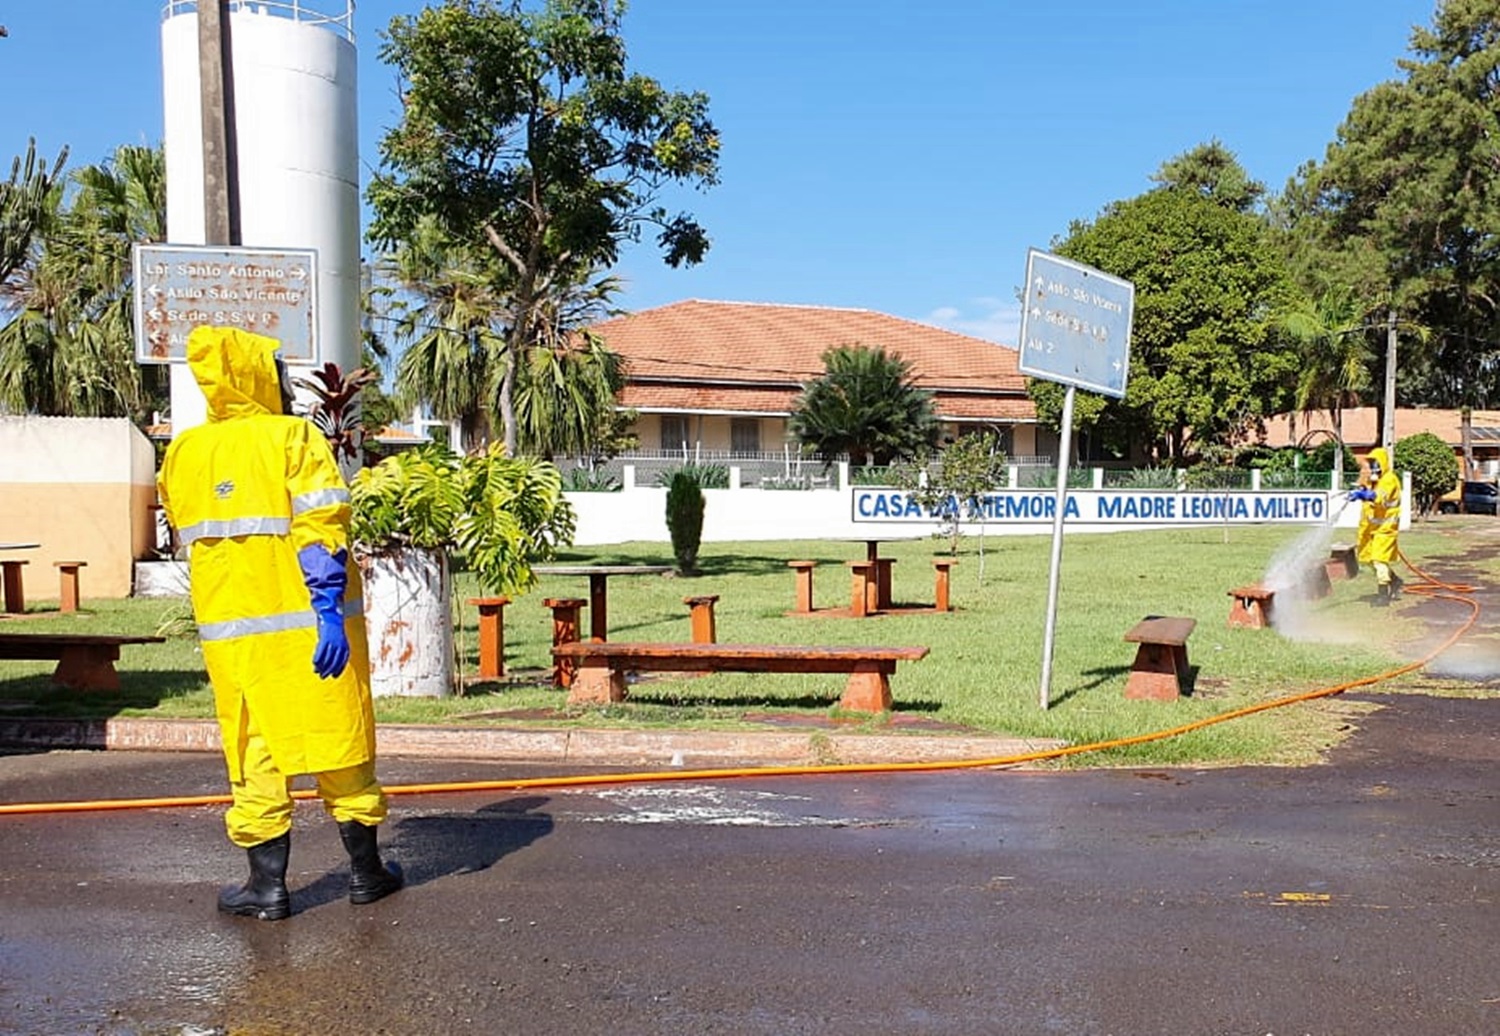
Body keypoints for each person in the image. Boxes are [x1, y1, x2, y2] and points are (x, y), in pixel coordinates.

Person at [157, 325, 402, 921]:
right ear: (253, 375)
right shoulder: (293, 437)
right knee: (339, 744)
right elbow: (322, 525)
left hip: (235, 638)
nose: (289, 386)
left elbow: (181, 530)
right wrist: (325, 609)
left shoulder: (186, 452)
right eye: (279, 374)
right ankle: (366, 874)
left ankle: (266, 889)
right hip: (314, 630)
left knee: (253, 754)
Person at [1349, 445, 1403, 606]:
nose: (1373, 466)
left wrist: (1366, 495)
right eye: (1371, 462)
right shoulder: (1375, 480)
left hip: (1385, 529)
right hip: (1371, 528)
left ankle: (1383, 595)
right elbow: (1365, 488)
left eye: (1376, 462)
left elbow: (1379, 497)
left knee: (1379, 560)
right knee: (1368, 559)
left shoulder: (1389, 480)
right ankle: (1395, 581)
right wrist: (1359, 490)